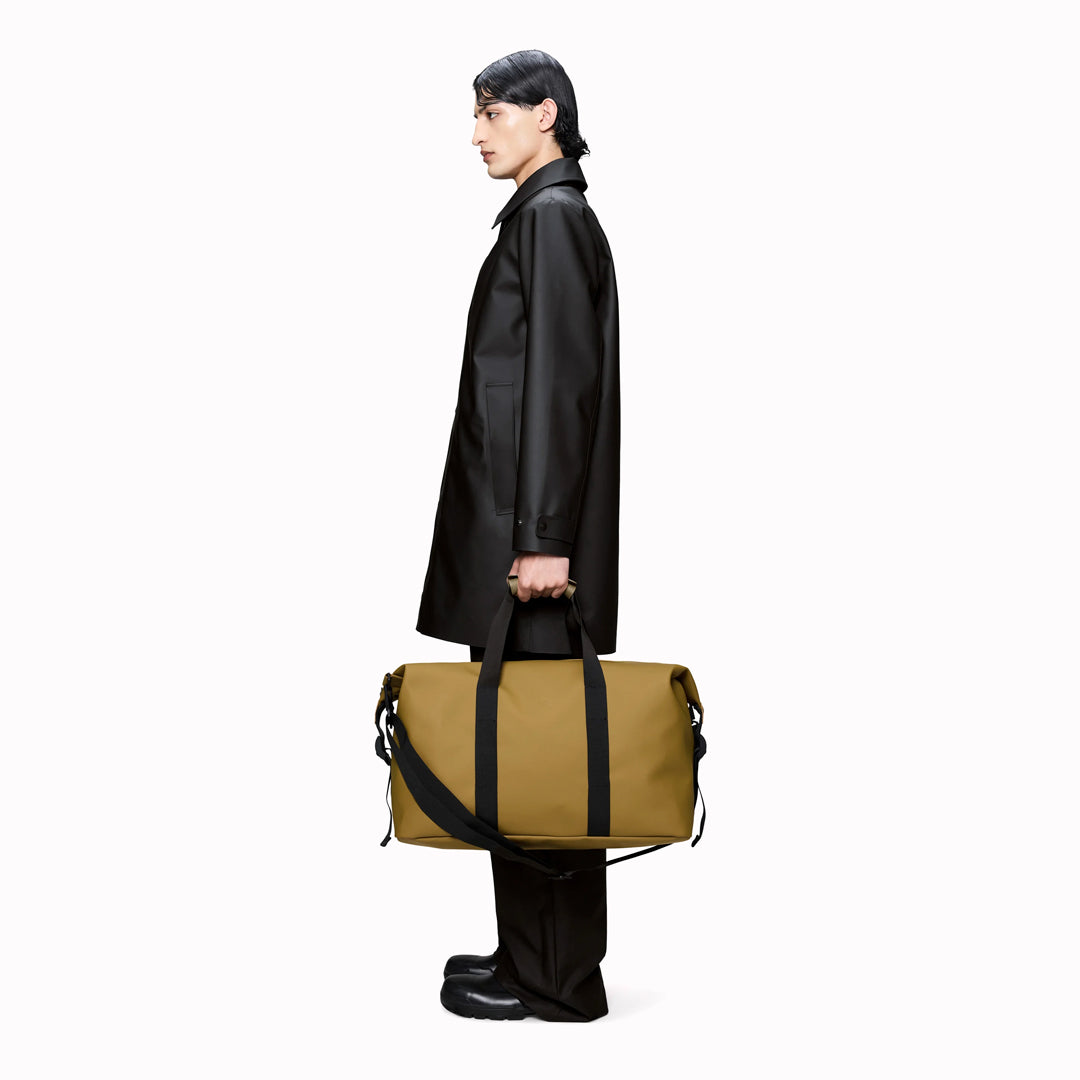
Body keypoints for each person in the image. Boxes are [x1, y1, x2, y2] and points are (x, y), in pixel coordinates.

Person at [415, 49, 620, 1023]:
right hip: (516, 543)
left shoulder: (552, 220)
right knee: (524, 752)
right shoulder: (542, 218)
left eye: (492, 113)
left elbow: (559, 389)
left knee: (545, 758)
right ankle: (529, 955)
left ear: (546, 115)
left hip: (530, 553)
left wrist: (544, 539)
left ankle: (559, 981)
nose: (476, 133)